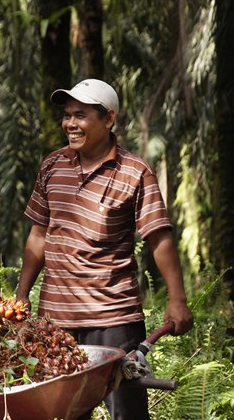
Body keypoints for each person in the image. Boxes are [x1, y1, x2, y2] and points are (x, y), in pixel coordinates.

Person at [15, 79, 193, 420]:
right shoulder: (52, 166)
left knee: (126, 415)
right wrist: (22, 295)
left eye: (80, 115)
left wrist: (177, 299)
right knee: (60, 413)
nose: (70, 124)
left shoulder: (135, 172)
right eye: (67, 116)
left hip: (115, 319)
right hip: (56, 320)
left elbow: (159, 238)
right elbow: (38, 235)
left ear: (108, 119)